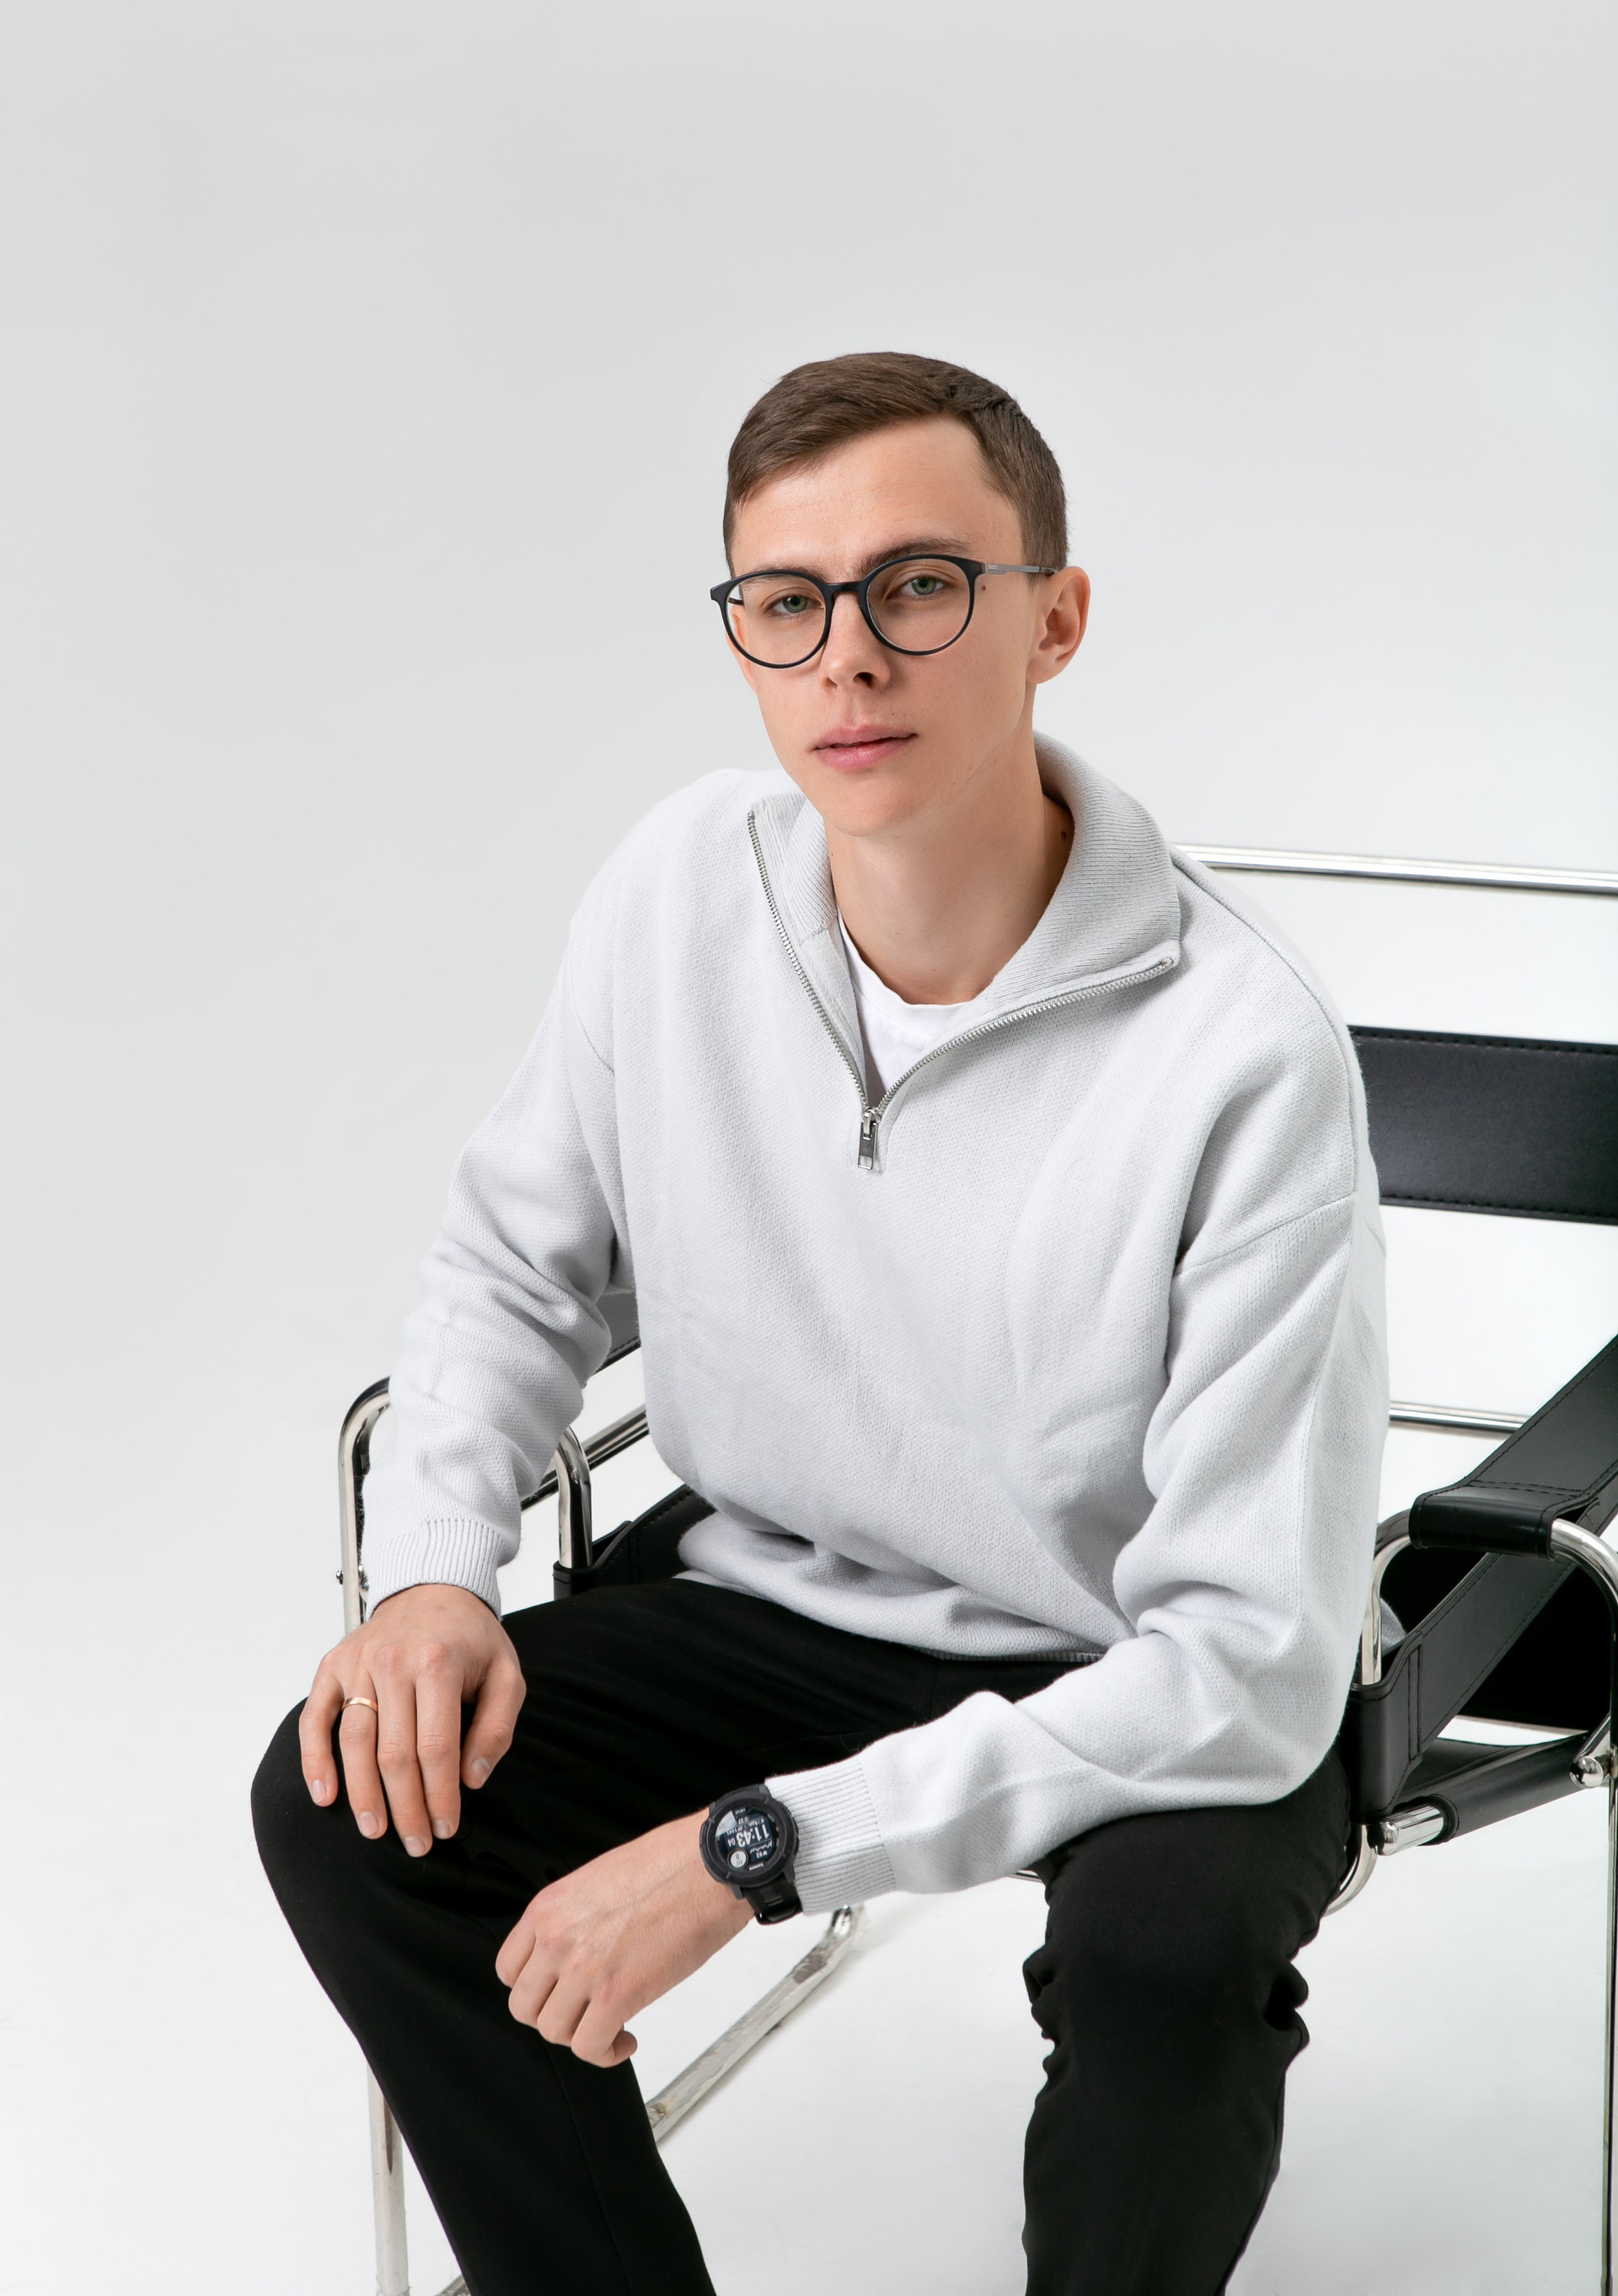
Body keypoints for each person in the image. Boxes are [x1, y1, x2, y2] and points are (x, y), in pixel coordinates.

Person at [254, 351, 1387, 2296]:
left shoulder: (1243, 1056)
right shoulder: (677, 892)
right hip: (784, 1601)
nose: (849, 654)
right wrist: (436, 1570)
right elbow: (518, 1265)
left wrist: (754, 1849)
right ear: (745, 642)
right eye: (789, 601)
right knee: (354, 1796)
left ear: (1054, 619)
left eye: (920, 586)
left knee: (1168, 1965)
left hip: (1134, 1662)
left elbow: (1244, 1667)